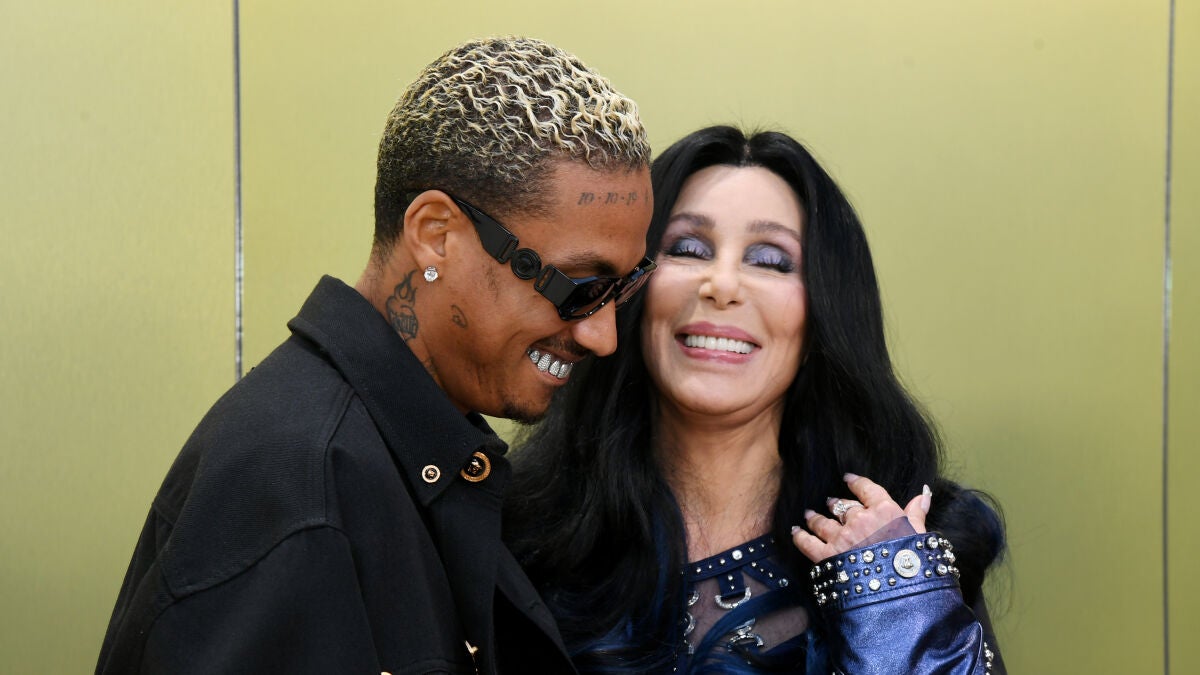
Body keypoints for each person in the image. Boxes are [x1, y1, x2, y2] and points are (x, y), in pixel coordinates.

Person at [96, 36, 656, 674]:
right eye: (579, 287)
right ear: (436, 236)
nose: (603, 336)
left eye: (625, 288)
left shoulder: (403, 456)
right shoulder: (298, 494)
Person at [506, 126, 1007, 673]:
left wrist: (893, 599)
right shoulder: (513, 535)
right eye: (688, 249)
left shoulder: (905, 547)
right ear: (626, 289)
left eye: (770, 261)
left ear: (822, 314)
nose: (722, 285)